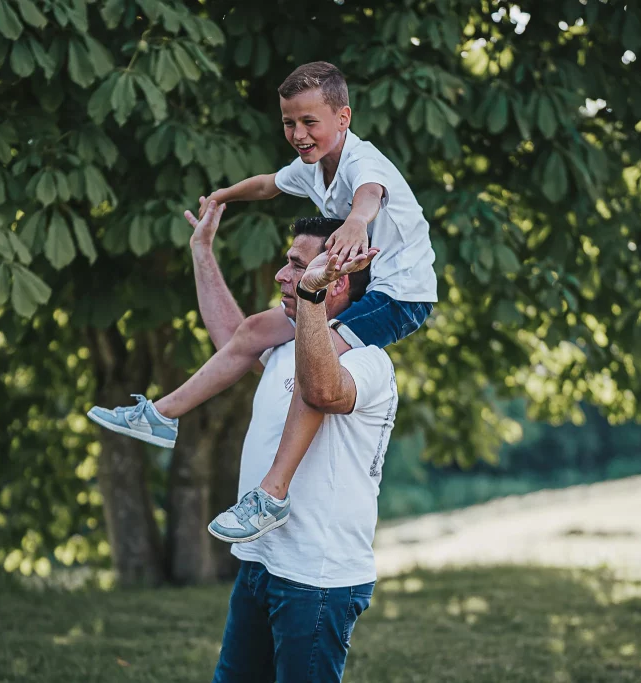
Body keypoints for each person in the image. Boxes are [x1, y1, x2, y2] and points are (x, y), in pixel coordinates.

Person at [87, 61, 434, 543]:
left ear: (343, 118)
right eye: (289, 122)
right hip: (355, 285)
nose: (298, 134)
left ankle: (272, 493)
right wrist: (222, 197)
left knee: (318, 361)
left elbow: (369, 195)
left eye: (309, 122)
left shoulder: (362, 163)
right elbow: (268, 184)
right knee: (251, 331)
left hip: (398, 296)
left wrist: (356, 223)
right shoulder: (312, 169)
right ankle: (161, 416)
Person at [188, 200, 396, 682]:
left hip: (316, 579)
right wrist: (202, 252)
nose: (282, 275)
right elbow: (234, 340)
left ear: (337, 279)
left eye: (297, 266)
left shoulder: (370, 360)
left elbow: (322, 391)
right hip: (260, 561)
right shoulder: (287, 343)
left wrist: (309, 297)